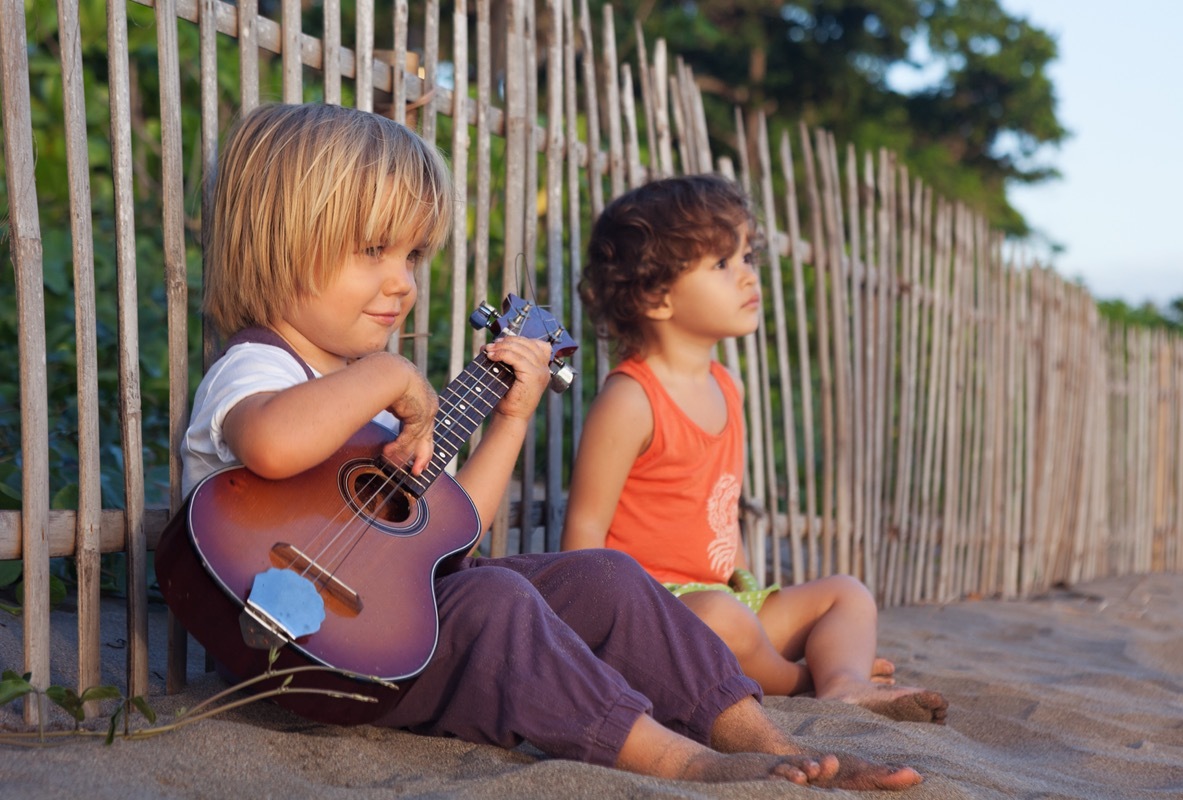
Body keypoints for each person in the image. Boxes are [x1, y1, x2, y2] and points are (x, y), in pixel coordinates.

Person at [178, 102, 925, 789]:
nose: (402, 283)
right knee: (495, 599)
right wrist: (388, 374)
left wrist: (511, 417)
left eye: (412, 257)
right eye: (374, 249)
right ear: (278, 242)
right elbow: (273, 445)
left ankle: (757, 737)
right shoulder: (262, 366)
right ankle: (682, 761)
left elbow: (447, 525)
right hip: (304, 649)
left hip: (390, 627)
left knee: (605, 576)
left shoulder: (366, 401)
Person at [562, 174, 947, 724]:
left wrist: (749, 584)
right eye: (722, 264)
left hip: (726, 597)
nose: (748, 275)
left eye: (747, 255)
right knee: (722, 620)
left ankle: (842, 682)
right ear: (656, 296)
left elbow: (720, 507)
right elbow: (583, 536)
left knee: (847, 593)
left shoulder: (727, 386)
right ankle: (806, 677)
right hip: (656, 615)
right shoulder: (631, 400)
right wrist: (592, 641)